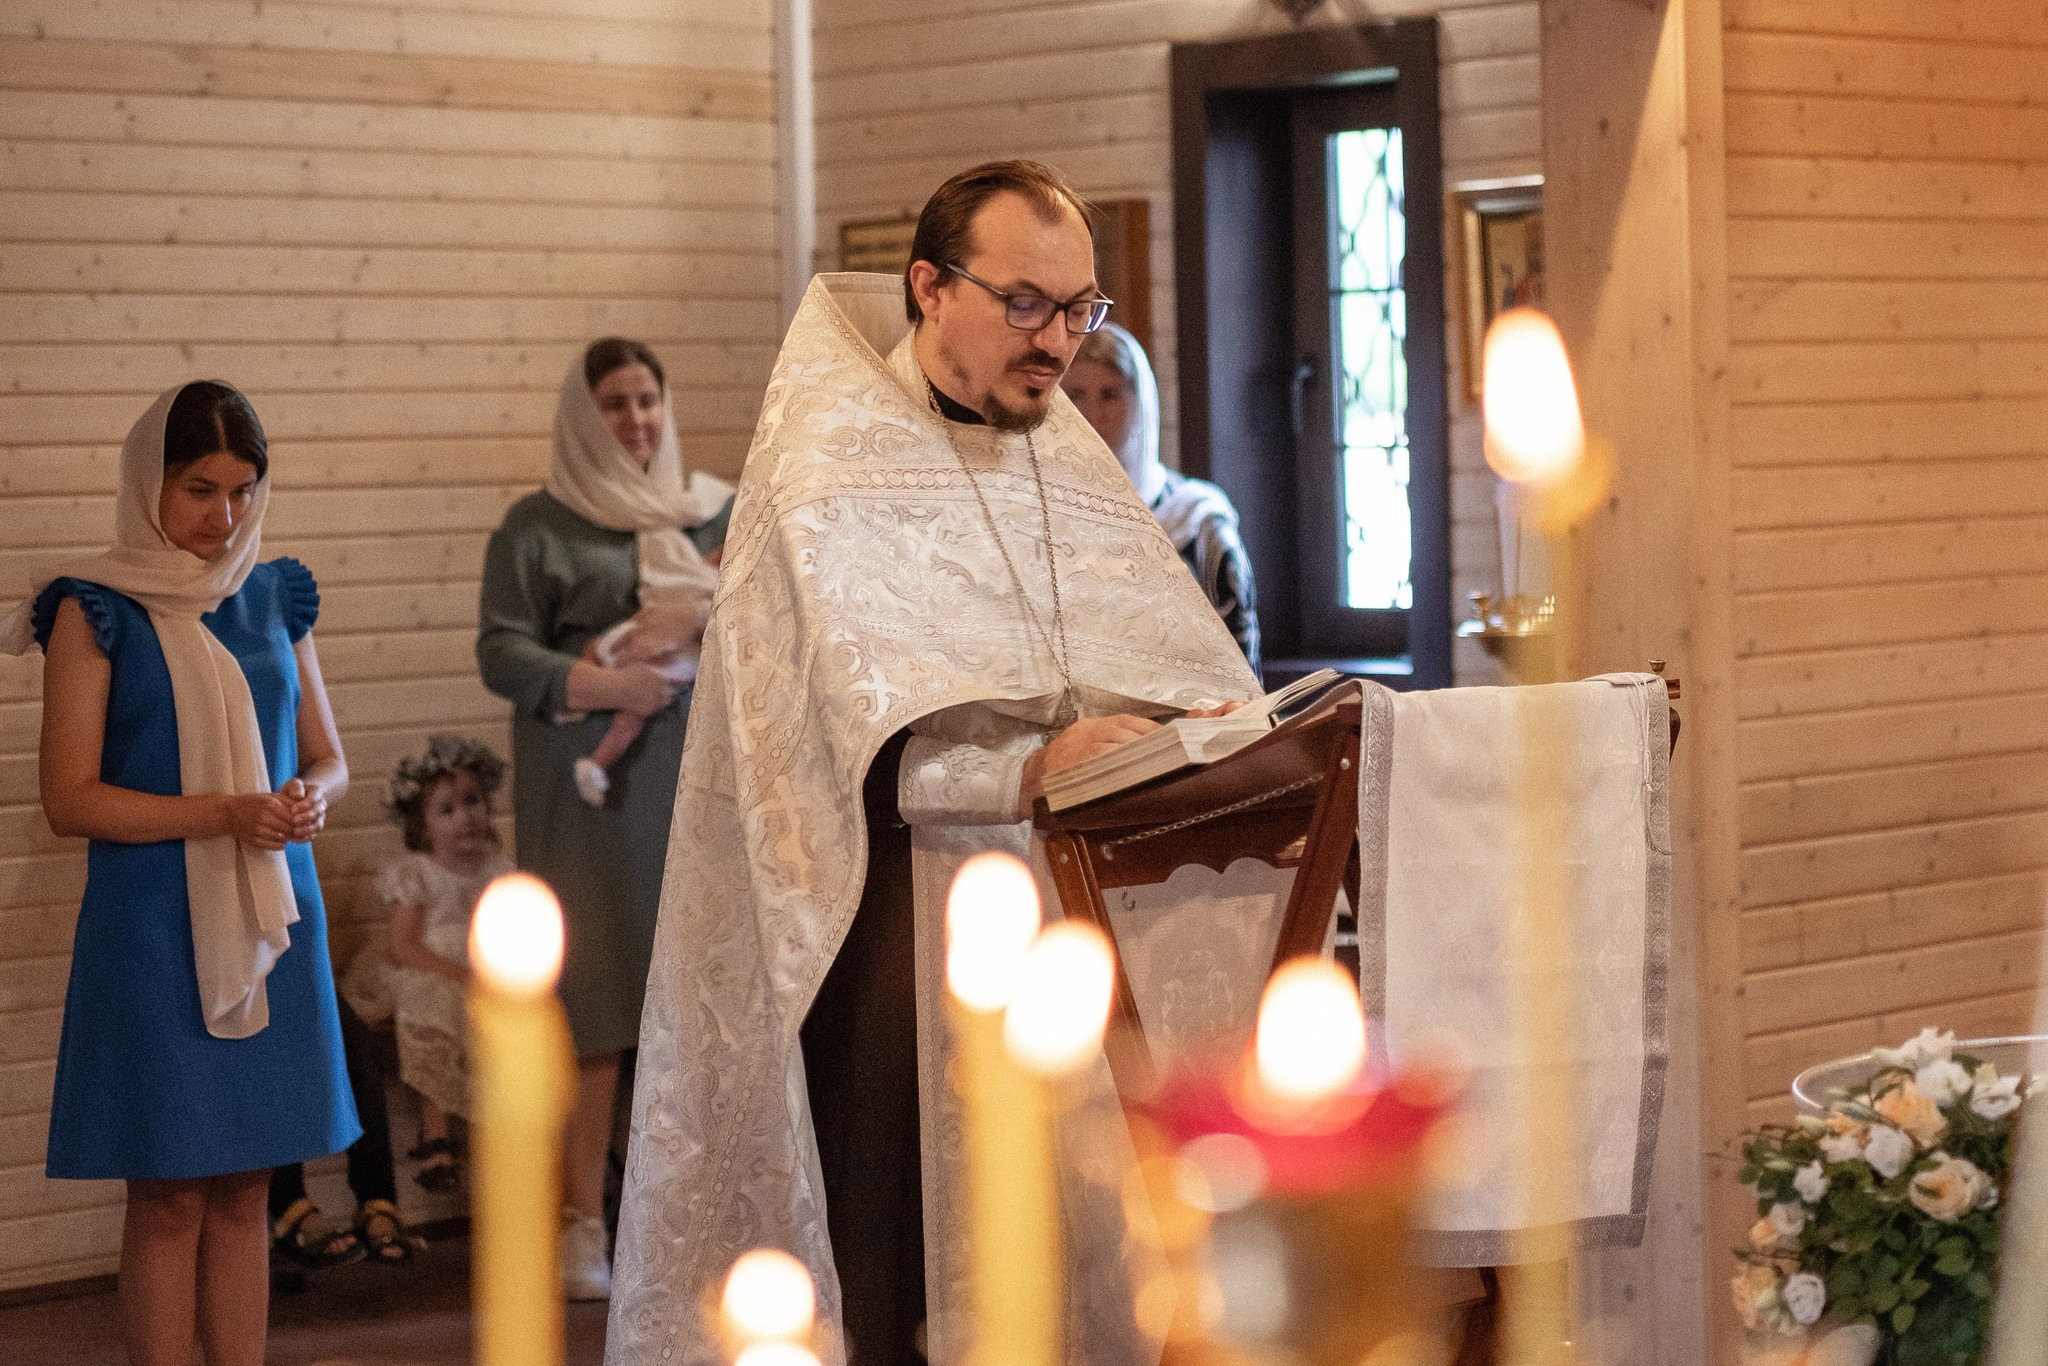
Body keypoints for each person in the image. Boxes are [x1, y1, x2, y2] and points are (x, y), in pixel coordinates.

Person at [607, 161, 1260, 1366]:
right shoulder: (822, 479)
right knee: (902, 1270)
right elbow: (808, 761)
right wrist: (1021, 765)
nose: (1057, 343)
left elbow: (1141, 656)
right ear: (927, 286)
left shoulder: (1066, 468)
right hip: (889, 949)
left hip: (1075, 936)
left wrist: (1190, 724)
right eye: (1025, 304)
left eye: (1080, 311)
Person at [2, 381, 359, 1366]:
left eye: (245, 490)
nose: (225, 516)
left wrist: (310, 796)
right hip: (151, 922)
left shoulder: (274, 591)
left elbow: (327, 753)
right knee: (165, 1192)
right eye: (199, 488)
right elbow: (70, 798)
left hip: (273, 913)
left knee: (248, 1184)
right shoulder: (92, 607)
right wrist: (229, 813)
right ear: (144, 482)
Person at [477, 339, 732, 1301]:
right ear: (585, 421)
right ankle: (583, 1222)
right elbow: (501, 650)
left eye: (647, 401)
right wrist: (596, 678)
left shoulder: (714, 508)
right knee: (597, 1000)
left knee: (691, 1001)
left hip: (691, 778)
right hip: (585, 789)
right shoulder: (535, 528)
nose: (635, 422)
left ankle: (693, 1213)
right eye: (614, 407)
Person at [1062, 322, 1262, 676]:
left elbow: (1241, 663)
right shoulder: (1038, 516)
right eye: (1076, 395)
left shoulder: (1197, 522)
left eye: (1110, 394)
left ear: (1141, 405)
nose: (1094, 413)